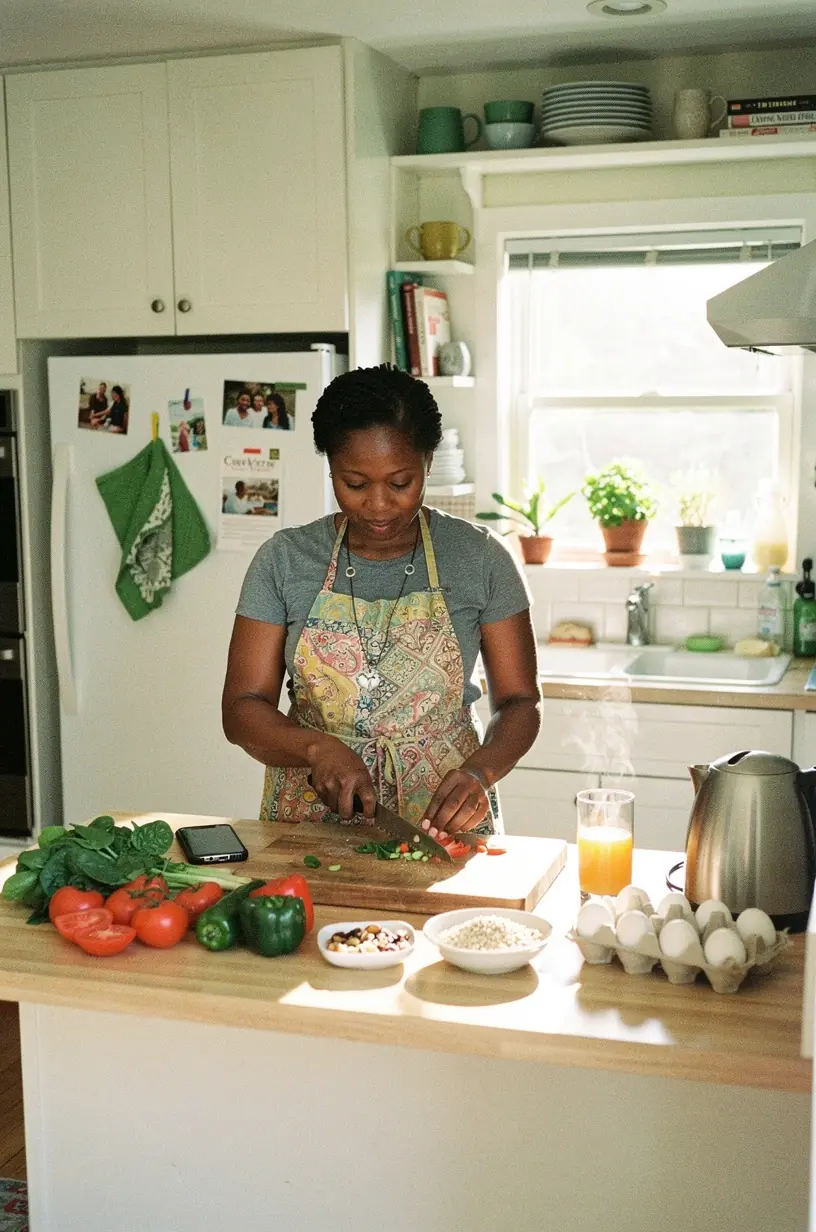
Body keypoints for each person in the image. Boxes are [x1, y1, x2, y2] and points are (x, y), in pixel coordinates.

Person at [222, 364, 540, 837]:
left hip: (444, 822)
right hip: (309, 821)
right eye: (354, 483)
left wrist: (481, 772)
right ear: (331, 467)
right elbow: (241, 707)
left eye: (400, 482)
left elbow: (519, 702)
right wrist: (316, 749)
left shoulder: (480, 557)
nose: (378, 504)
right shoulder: (284, 560)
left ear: (428, 462)